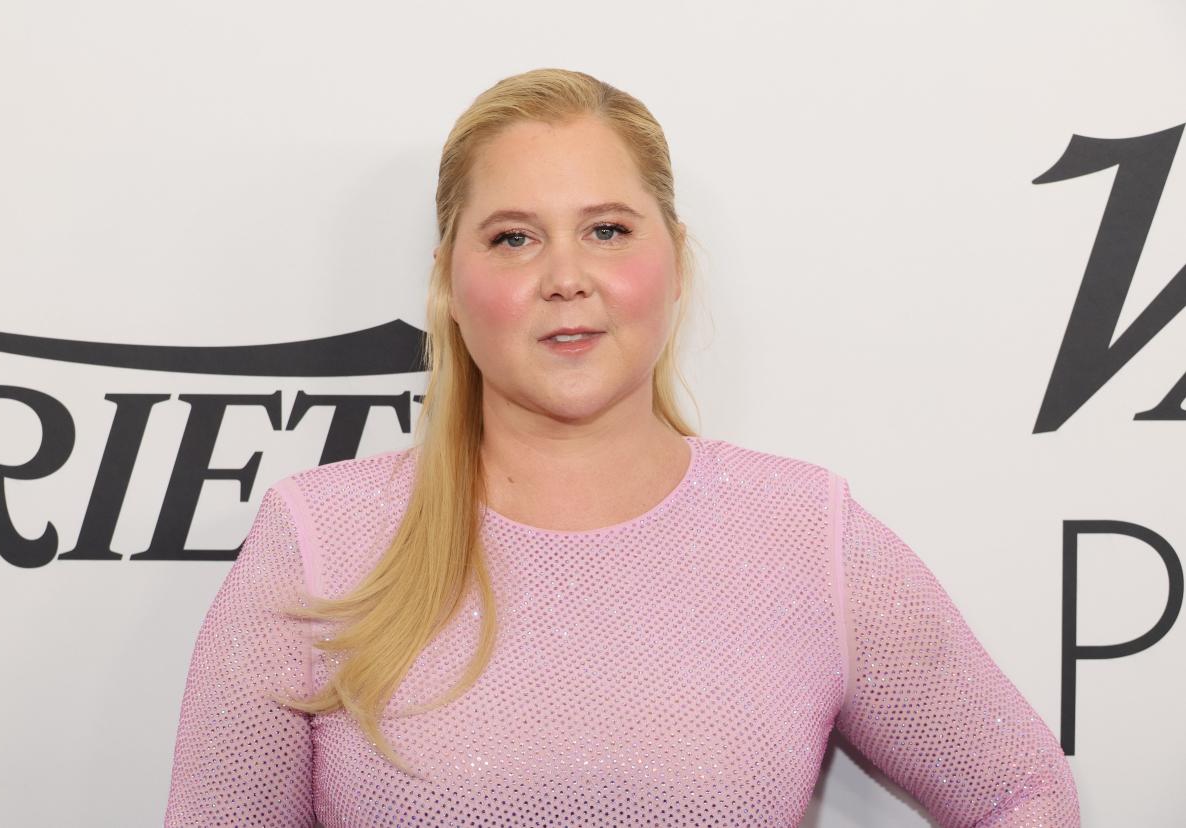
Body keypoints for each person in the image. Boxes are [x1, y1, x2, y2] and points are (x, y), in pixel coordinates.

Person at [164, 67, 1081, 827]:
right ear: (447, 282)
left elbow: (1023, 793)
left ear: (674, 260)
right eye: (514, 238)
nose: (567, 278)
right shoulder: (321, 542)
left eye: (607, 230)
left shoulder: (804, 538)